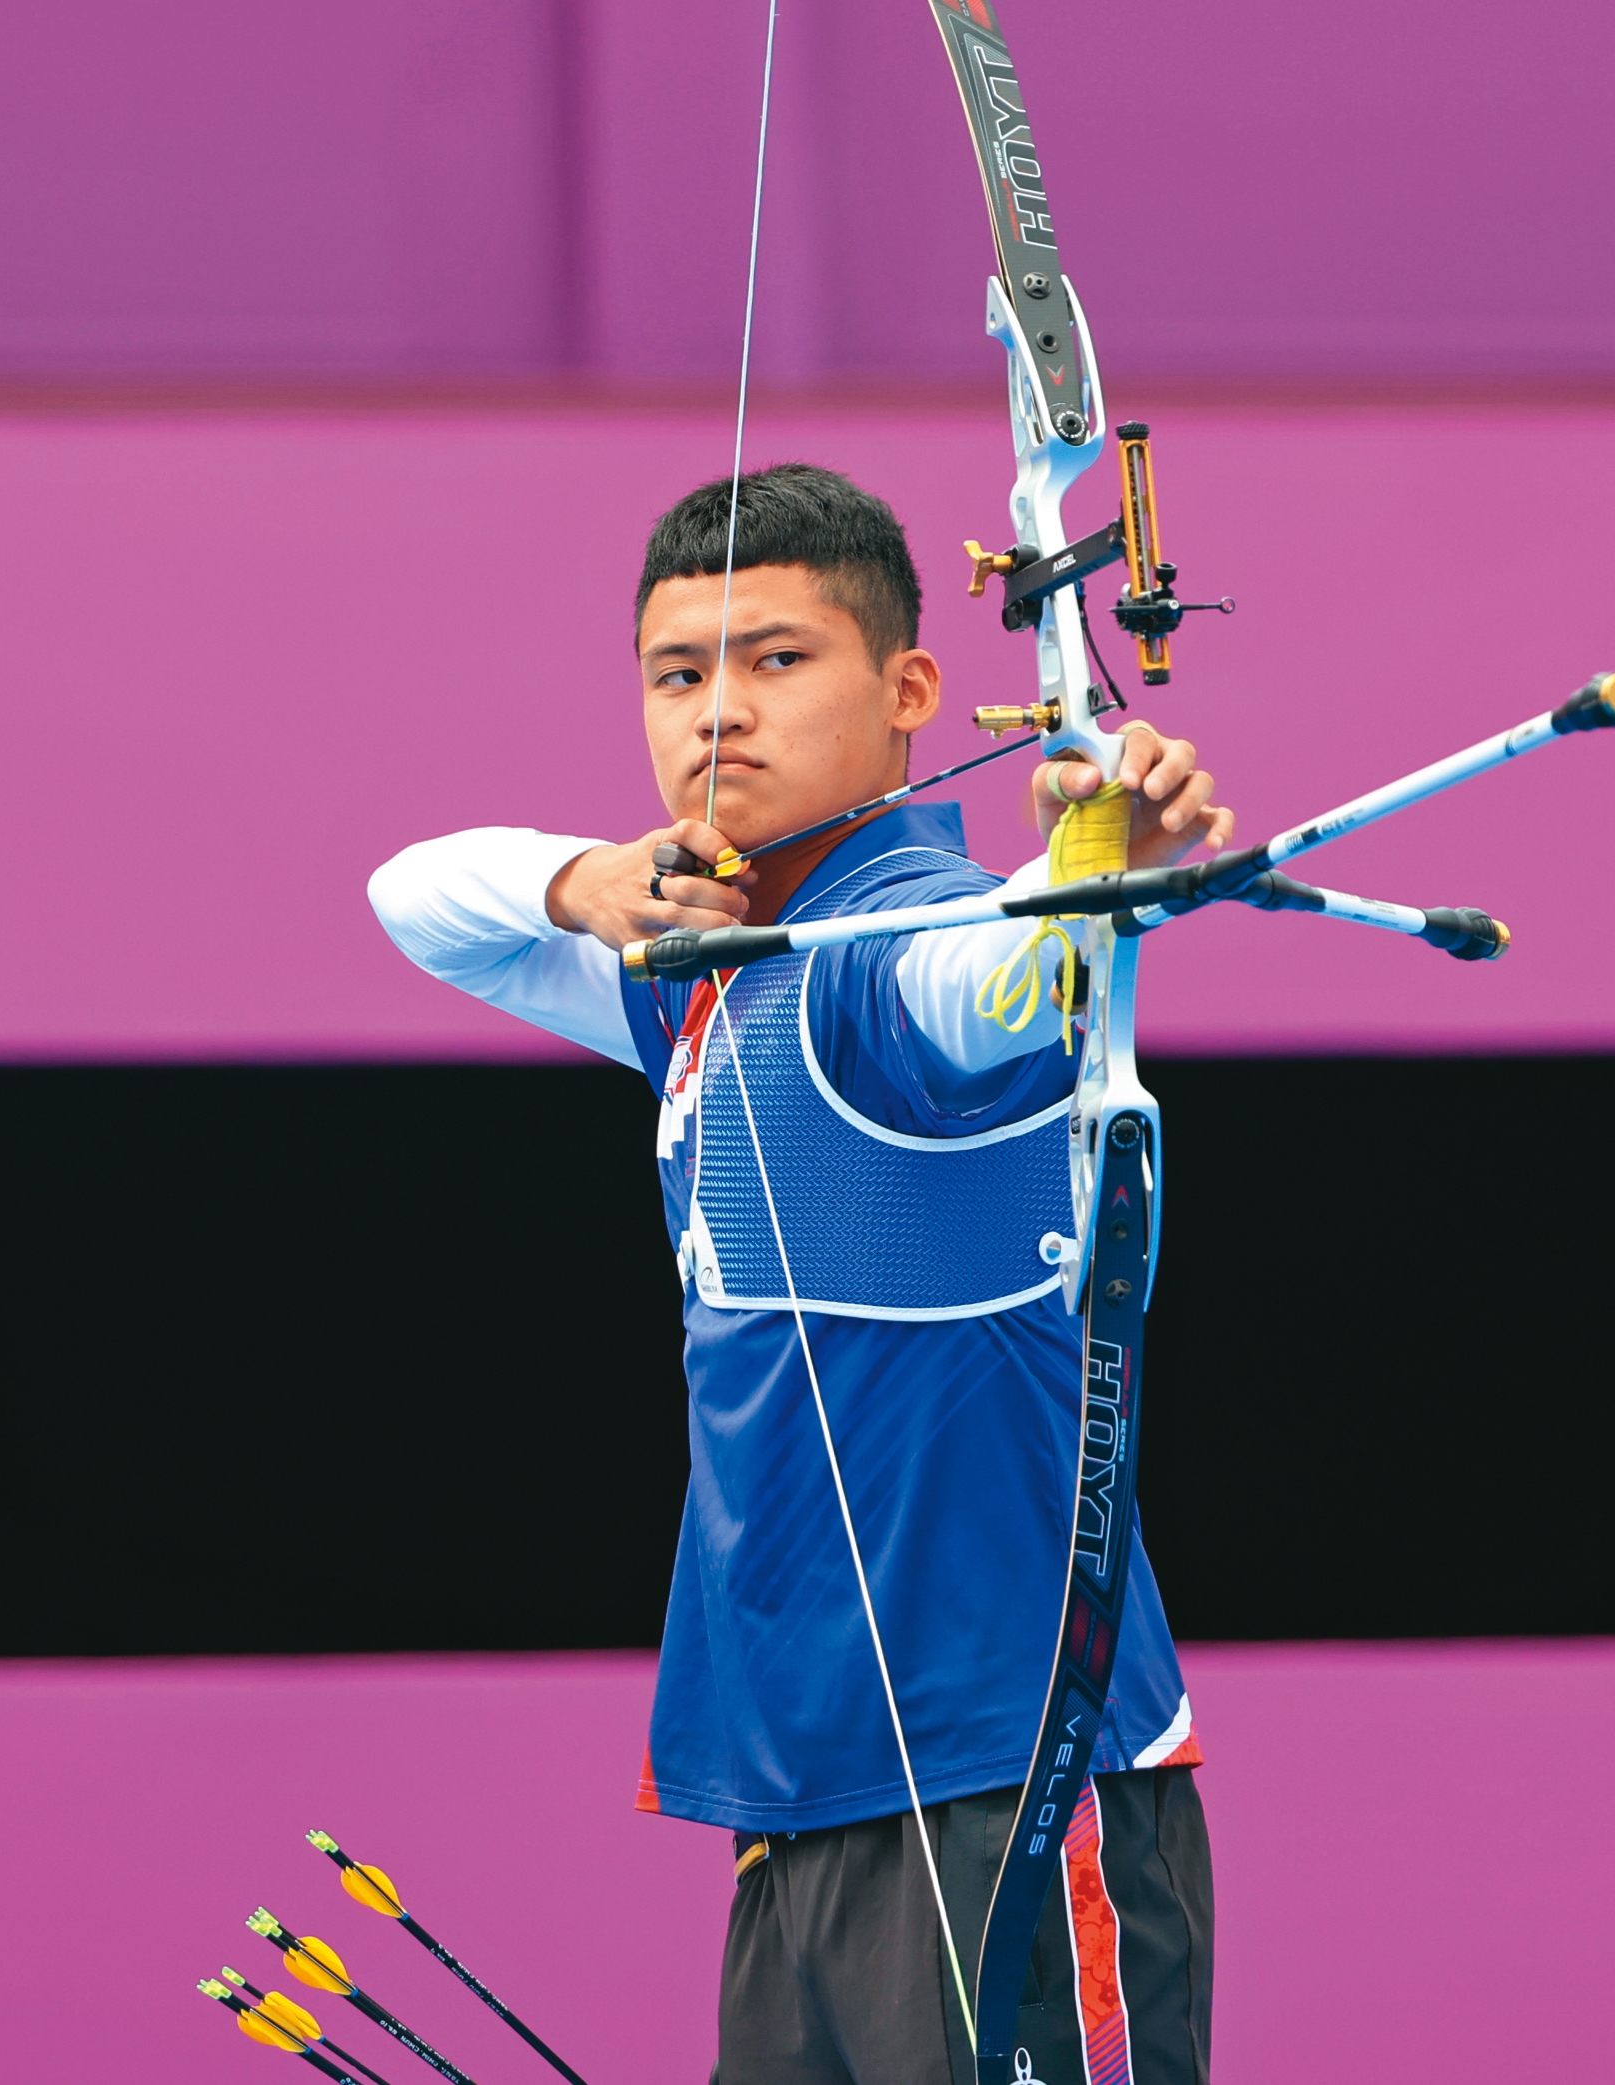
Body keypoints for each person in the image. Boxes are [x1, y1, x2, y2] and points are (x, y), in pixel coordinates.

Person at [369, 463, 1226, 2085]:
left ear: (911, 690)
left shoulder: (890, 945)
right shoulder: (696, 967)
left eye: (776, 661)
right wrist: (585, 882)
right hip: (804, 1785)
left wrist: (1098, 854)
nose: (716, 715)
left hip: (1007, 1778)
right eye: (679, 674)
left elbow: (996, 974)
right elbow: (413, 899)